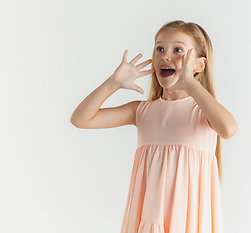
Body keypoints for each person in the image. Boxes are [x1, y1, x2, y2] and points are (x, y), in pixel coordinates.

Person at [70, 20, 237, 233]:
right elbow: (80, 119)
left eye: (178, 50)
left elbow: (229, 129)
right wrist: (113, 83)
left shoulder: (203, 112)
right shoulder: (141, 112)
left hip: (188, 223)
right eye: (160, 49)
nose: (166, 56)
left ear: (199, 65)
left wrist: (190, 84)